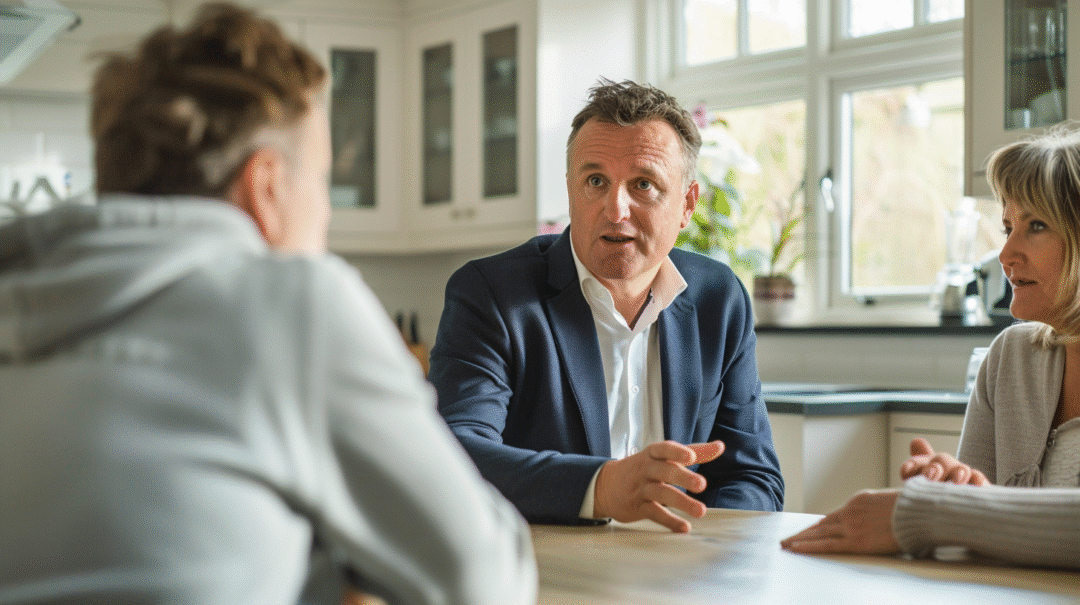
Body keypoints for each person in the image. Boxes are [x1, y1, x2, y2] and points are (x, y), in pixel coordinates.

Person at [0, 4, 536, 604]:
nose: (326, 213)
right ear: (266, 186)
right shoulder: (292, 305)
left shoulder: (19, 290)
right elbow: (485, 581)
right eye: (322, 183)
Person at [428, 79, 784, 534]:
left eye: (643, 184)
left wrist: (697, 541)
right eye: (595, 181)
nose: (615, 210)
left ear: (688, 204)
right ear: (571, 191)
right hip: (545, 564)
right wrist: (598, 488)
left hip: (680, 564)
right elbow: (453, 454)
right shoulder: (491, 294)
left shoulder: (720, 298)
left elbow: (753, 476)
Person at [781, 125, 1080, 569]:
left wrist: (936, 513)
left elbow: (967, 520)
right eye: (1007, 228)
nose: (1006, 254)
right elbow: (975, 533)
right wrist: (959, 488)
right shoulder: (1011, 358)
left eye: (1036, 225)